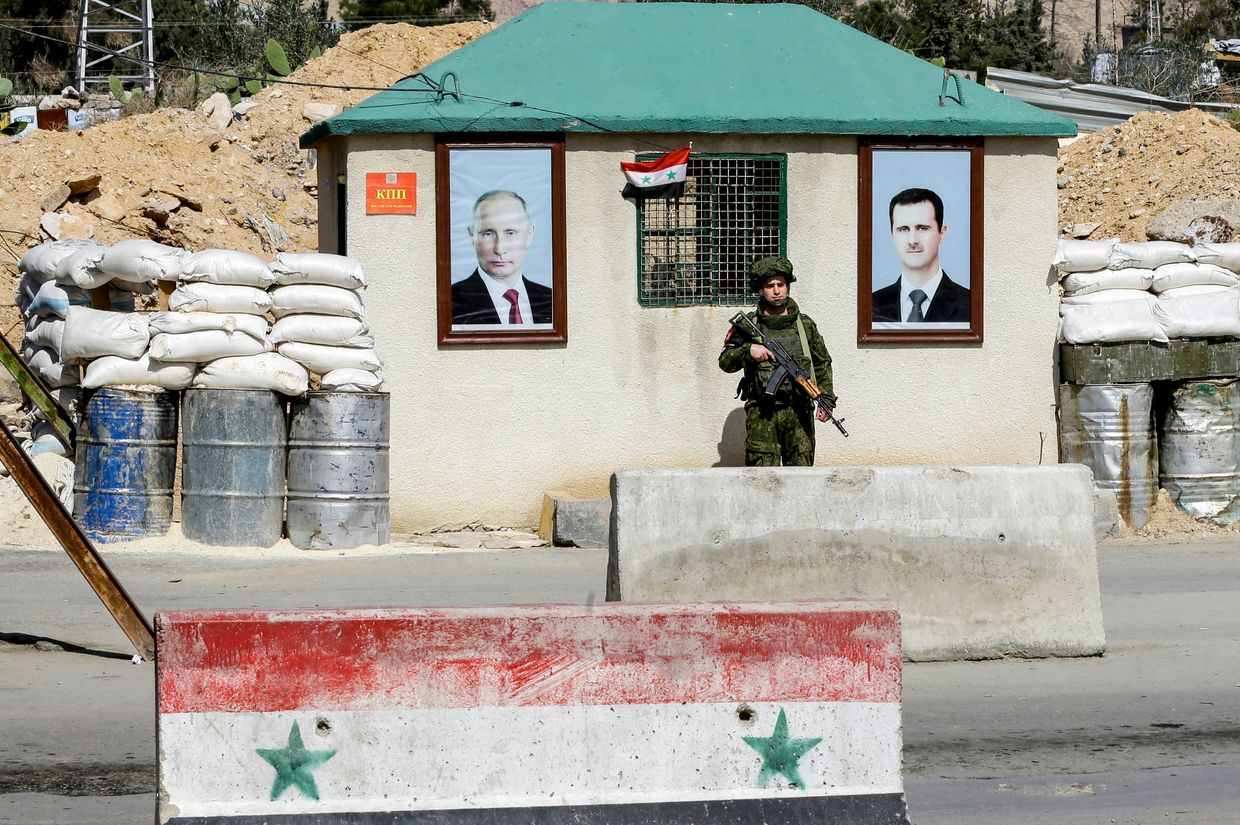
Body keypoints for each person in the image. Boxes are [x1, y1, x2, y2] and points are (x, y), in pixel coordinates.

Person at [719, 256, 836, 467]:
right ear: (760, 289)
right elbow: (725, 362)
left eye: (781, 284)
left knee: (801, 479)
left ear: (788, 287)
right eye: (769, 285)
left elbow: (822, 363)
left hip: (800, 413)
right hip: (763, 414)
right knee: (762, 479)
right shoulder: (747, 325)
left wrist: (825, 400)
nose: (776, 290)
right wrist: (748, 350)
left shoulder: (805, 325)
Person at [452, 190, 553, 326]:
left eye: (510, 233)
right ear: (472, 236)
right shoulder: (450, 302)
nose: (499, 249)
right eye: (488, 233)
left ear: (530, 234)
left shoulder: (551, 300)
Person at [872, 187, 970, 323]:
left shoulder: (971, 305)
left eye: (922, 228)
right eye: (903, 229)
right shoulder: (871, 306)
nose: (913, 241)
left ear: (942, 233)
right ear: (892, 235)